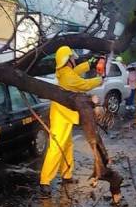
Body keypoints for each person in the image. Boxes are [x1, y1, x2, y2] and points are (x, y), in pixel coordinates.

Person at [40, 46, 102, 197]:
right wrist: (99, 79)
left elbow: (76, 71)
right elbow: (83, 84)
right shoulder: (68, 76)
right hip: (62, 115)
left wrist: (89, 64)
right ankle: (45, 181)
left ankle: (67, 175)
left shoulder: (64, 72)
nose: (74, 60)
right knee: (56, 147)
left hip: (64, 113)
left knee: (67, 145)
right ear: (67, 60)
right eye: (72, 58)